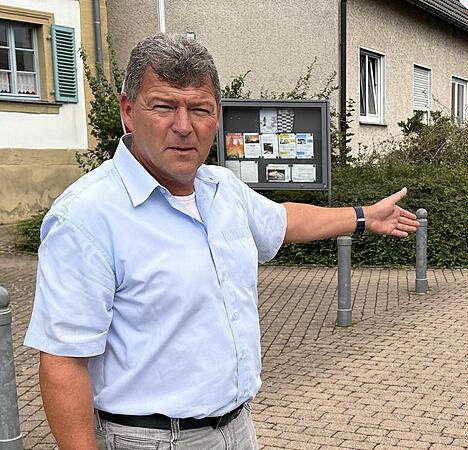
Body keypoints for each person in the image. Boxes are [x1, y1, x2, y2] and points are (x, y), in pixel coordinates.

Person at [24, 33, 418, 449]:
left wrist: (362, 216)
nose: (183, 126)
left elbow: (282, 221)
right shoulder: (86, 216)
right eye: (163, 106)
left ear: (217, 115)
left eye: (199, 109)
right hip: (149, 440)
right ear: (127, 111)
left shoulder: (221, 189)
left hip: (236, 429)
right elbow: (63, 361)